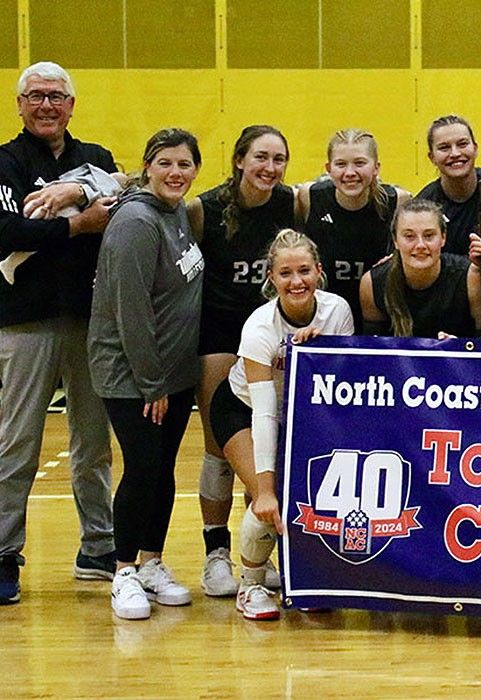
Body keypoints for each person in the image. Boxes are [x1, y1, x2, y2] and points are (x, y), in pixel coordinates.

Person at [0, 61, 119, 604]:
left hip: (90, 320)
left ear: (72, 105)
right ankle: (4, 554)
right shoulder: (5, 162)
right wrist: (76, 221)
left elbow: (118, 201)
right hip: (23, 323)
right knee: (16, 443)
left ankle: (99, 545)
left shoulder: (94, 158)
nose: (46, 105)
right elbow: (7, 229)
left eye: (56, 96)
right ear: (20, 105)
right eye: (36, 96)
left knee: (93, 442)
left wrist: (71, 193)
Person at [88, 128, 204, 620]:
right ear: (147, 166)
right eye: (166, 164)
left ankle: (153, 562)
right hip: (134, 376)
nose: (176, 173)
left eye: (184, 165)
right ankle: (124, 571)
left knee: (161, 469)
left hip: (172, 374)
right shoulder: (136, 221)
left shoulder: (175, 212)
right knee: (141, 468)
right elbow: (131, 310)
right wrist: (151, 383)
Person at [209, 229, 353, 620]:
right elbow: (264, 413)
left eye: (304, 270)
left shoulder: (337, 311)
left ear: (319, 272)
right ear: (271, 279)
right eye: (285, 273)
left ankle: (298, 574)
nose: (296, 281)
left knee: (309, 498)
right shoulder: (259, 328)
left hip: (299, 414)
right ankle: (250, 585)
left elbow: (342, 385)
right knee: (270, 501)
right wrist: (267, 489)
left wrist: (319, 351)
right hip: (241, 409)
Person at [188, 125, 293, 598]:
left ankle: (261, 554)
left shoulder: (293, 203)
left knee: (267, 449)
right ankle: (216, 553)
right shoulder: (203, 210)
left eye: (278, 159)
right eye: (260, 158)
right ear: (238, 160)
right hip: (219, 335)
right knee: (219, 449)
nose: (269, 168)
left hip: (269, 333)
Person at [296, 128, 409, 332]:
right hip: (325, 320)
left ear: (376, 167)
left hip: (380, 318)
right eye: (341, 164)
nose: (350, 173)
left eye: (359, 163)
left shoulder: (398, 201)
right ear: (328, 169)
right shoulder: (308, 197)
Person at [360, 198, 481, 338]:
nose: (420, 245)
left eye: (429, 235)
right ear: (395, 241)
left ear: (443, 237)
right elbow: (373, 352)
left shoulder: (469, 277)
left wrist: (458, 348)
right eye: (409, 236)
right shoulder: (371, 283)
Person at [416, 115, 481, 257]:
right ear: (432, 157)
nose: (455, 153)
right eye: (444, 147)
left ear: (475, 148)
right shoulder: (423, 207)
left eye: (462, 144)